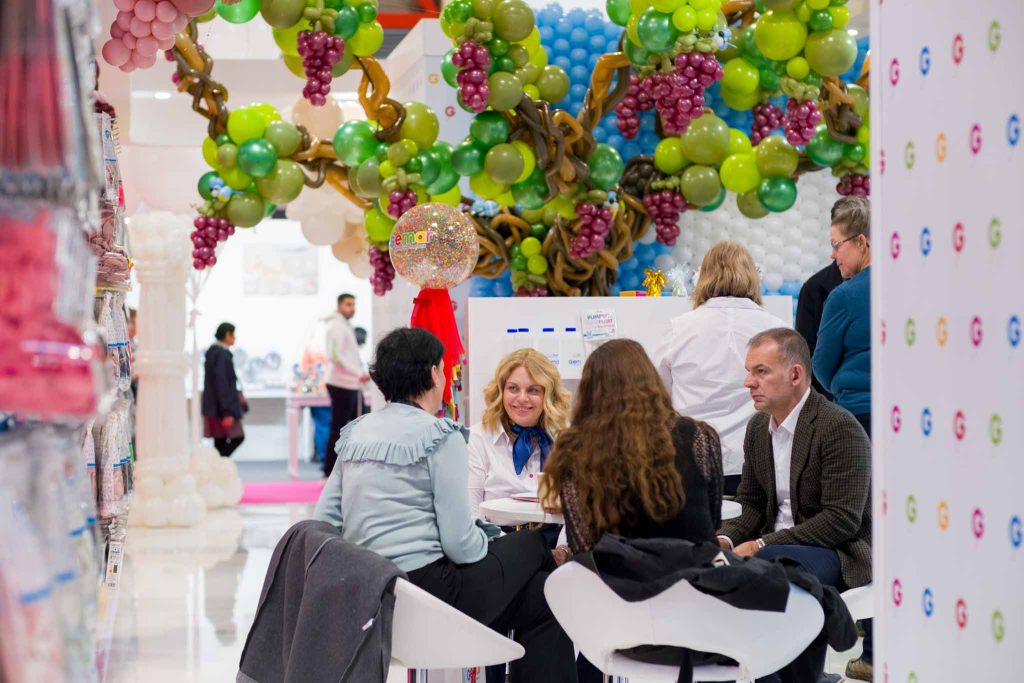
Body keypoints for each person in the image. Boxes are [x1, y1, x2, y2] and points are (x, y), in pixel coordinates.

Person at [314, 327, 577, 683]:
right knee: (533, 550)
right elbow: (460, 544)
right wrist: (493, 543)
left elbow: (324, 521)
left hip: (369, 595)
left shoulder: (355, 433)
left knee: (542, 591)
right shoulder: (442, 436)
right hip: (435, 597)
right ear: (434, 373)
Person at [541, 338, 723, 683]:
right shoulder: (699, 436)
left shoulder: (576, 452)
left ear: (591, 392)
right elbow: (711, 523)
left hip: (621, 620)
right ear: (651, 382)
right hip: (699, 614)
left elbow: (584, 548)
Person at [717, 328, 871, 683]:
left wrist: (760, 544)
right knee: (722, 561)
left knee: (772, 566)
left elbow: (841, 520)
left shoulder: (839, 428)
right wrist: (723, 541)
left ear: (796, 374)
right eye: (748, 370)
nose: (748, 382)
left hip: (839, 550)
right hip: (779, 549)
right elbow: (752, 505)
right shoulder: (758, 428)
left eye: (760, 371)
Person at [654, 241, 786, 497]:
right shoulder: (777, 329)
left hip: (692, 457)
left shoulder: (679, 329)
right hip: (759, 458)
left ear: (703, 277)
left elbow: (657, 393)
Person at [467, 349, 570, 526]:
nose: (522, 398)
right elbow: (471, 515)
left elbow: (576, 513)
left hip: (556, 541)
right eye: (513, 388)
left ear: (548, 395)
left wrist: (562, 550)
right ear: (501, 392)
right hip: (498, 542)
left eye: (533, 390)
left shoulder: (564, 439)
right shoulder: (477, 439)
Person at [813, 196, 872, 438]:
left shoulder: (843, 296)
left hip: (857, 418)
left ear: (861, 242)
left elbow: (821, 365)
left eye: (837, 245)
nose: (832, 254)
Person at [323, 293, 369, 477]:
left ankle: (343, 469)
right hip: (341, 384)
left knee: (357, 425)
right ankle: (329, 471)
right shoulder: (336, 327)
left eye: (354, 304)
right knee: (339, 427)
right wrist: (358, 373)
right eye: (348, 304)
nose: (352, 308)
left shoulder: (344, 325)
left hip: (350, 384)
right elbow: (335, 356)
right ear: (339, 305)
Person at [795, 262, 843, 400]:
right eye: (834, 245)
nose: (833, 255)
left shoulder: (887, 282)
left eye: (837, 245)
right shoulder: (815, 288)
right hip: (829, 400)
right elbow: (806, 353)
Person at [202, 322, 247, 457]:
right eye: (233, 335)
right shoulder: (221, 355)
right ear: (227, 334)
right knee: (237, 437)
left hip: (215, 407)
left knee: (219, 441)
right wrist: (227, 412)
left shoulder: (213, 353)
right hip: (222, 408)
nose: (235, 338)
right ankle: (217, 467)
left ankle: (217, 470)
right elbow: (222, 385)